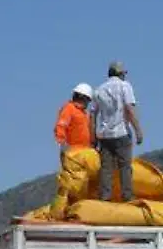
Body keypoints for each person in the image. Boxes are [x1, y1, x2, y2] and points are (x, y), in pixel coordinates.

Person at [91, 61, 144, 202]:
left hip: (104, 135)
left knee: (106, 169)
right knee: (125, 167)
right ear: (120, 74)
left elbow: (93, 114)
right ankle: (127, 196)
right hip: (121, 133)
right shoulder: (125, 87)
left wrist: (93, 136)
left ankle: (105, 197)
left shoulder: (98, 90)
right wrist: (138, 130)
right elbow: (129, 110)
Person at [54, 83, 94, 157]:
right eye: (88, 100)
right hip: (72, 152)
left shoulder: (84, 114)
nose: (88, 103)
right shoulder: (69, 109)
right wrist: (63, 144)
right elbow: (60, 126)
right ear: (83, 98)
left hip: (85, 151)